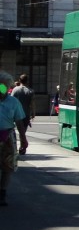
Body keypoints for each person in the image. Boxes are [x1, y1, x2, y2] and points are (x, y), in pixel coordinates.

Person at [0, 73, 28, 205]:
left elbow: (19, 121)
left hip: (7, 136)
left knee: (7, 166)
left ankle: (2, 193)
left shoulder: (13, 102)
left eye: (3, 86)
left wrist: (24, 139)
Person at [11, 74, 34, 151]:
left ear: (19, 80)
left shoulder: (15, 90)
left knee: (21, 131)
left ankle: (22, 146)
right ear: (27, 81)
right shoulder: (30, 91)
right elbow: (32, 103)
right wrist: (33, 113)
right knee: (23, 131)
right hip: (26, 114)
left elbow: (11, 101)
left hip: (17, 114)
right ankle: (22, 147)